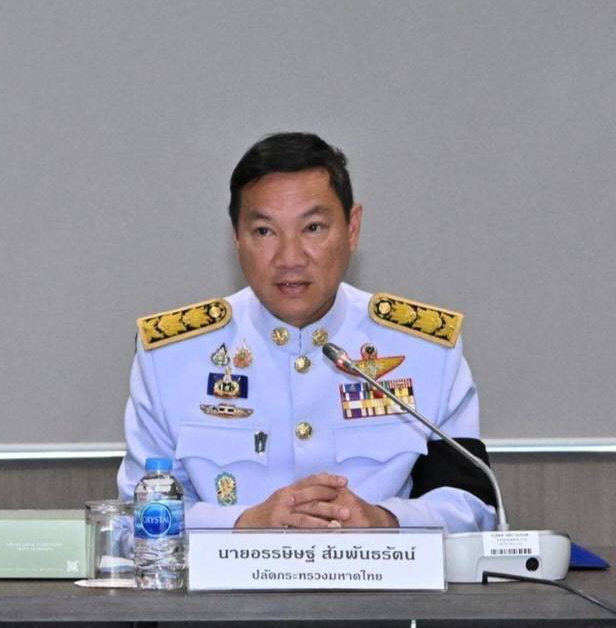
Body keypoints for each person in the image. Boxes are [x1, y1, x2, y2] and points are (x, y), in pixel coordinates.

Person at [117, 133, 496, 531]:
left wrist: (385, 521)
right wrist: (241, 524)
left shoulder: (425, 351)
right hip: (228, 576)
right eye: (264, 231)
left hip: (379, 573)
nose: (290, 258)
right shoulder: (171, 357)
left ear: (352, 228)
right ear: (236, 238)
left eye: (313, 227)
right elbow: (134, 519)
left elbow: (474, 507)